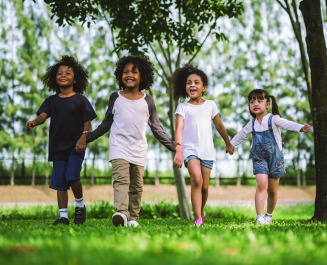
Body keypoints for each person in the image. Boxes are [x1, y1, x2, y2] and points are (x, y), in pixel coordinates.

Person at [77, 55, 175, 228]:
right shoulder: (115, 97)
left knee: (136, 186)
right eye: (125, 72)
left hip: (139, 149)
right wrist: (88, 136)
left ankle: (133, 218)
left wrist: (172, 145)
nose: (129, 75)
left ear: (142, 76)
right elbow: (106, 123)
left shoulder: (148, 100)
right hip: (119, 147)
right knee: (121, 180)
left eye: (134, 72)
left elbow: (156, 127)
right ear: (120, 76)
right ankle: (121, 213)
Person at [26, 55, 97, 225]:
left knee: (72, 176)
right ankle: (63, 216)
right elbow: (43, 116)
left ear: (75, 78)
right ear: (54, 78)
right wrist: (34, 122)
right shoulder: (51, 101)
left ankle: (80, 205)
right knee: (60, 183)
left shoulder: (80, 100)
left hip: (76, 146)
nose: (63, 75)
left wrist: (83, 137)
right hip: (57, 148)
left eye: (67, 73)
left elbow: (87, 123)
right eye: (59, 73)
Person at [231, 89, 310, 225]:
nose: (255, 104)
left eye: (259, 101)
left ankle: (269, 215)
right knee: (261, 185)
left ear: (267, 104)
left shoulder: (273, 119)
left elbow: (287, 123)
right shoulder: (252, 123)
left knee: (272, 191)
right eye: (252, 101)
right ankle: (259, 217)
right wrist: (231, 144)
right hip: (259, 158)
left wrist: (301, 128)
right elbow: (242, 134)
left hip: (275, 159)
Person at [172, 64, 234, 227]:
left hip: (207, 150)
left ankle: (201, 211)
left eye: (196, 82)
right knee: (196, 180)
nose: (192, 85)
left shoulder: (211, 105)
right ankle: (198, 218)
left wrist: (228, 143)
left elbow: (219, 126)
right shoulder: (183, 107)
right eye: (189, 82)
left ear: (204, 87)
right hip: (189, 149)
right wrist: (179, 149)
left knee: (205, 187)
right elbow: (178, 129)